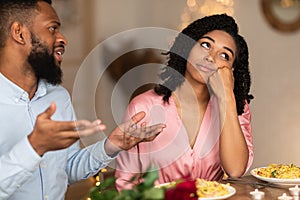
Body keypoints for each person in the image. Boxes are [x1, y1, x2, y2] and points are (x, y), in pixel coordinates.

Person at [0, 0, 166, 199]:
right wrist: (34, 146)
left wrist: (112, 145)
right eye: (52, 28)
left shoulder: (58, 97)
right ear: (19, 32)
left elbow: (66, 169)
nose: (63, 39)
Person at [115, 14, 254, 190]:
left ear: (231, 71)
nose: (210, 57)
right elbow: (126, 184)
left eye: (224, 55)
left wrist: (226, 96)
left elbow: (235, 170)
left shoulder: (237, 108)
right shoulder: (143, 106)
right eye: (205, 45)